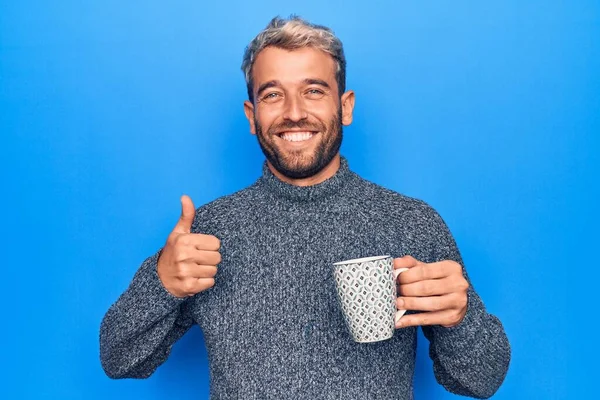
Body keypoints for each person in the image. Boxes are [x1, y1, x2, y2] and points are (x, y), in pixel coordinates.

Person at [100, 15, 511, 399]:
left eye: (313, 91)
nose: (294, 113)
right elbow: (118, 359)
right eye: (273, 94)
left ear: (345, 106)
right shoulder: (210, 231)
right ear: (252, 114)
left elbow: (483, 379)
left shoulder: (411, 223)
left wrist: (461, 319)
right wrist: (161, 284)